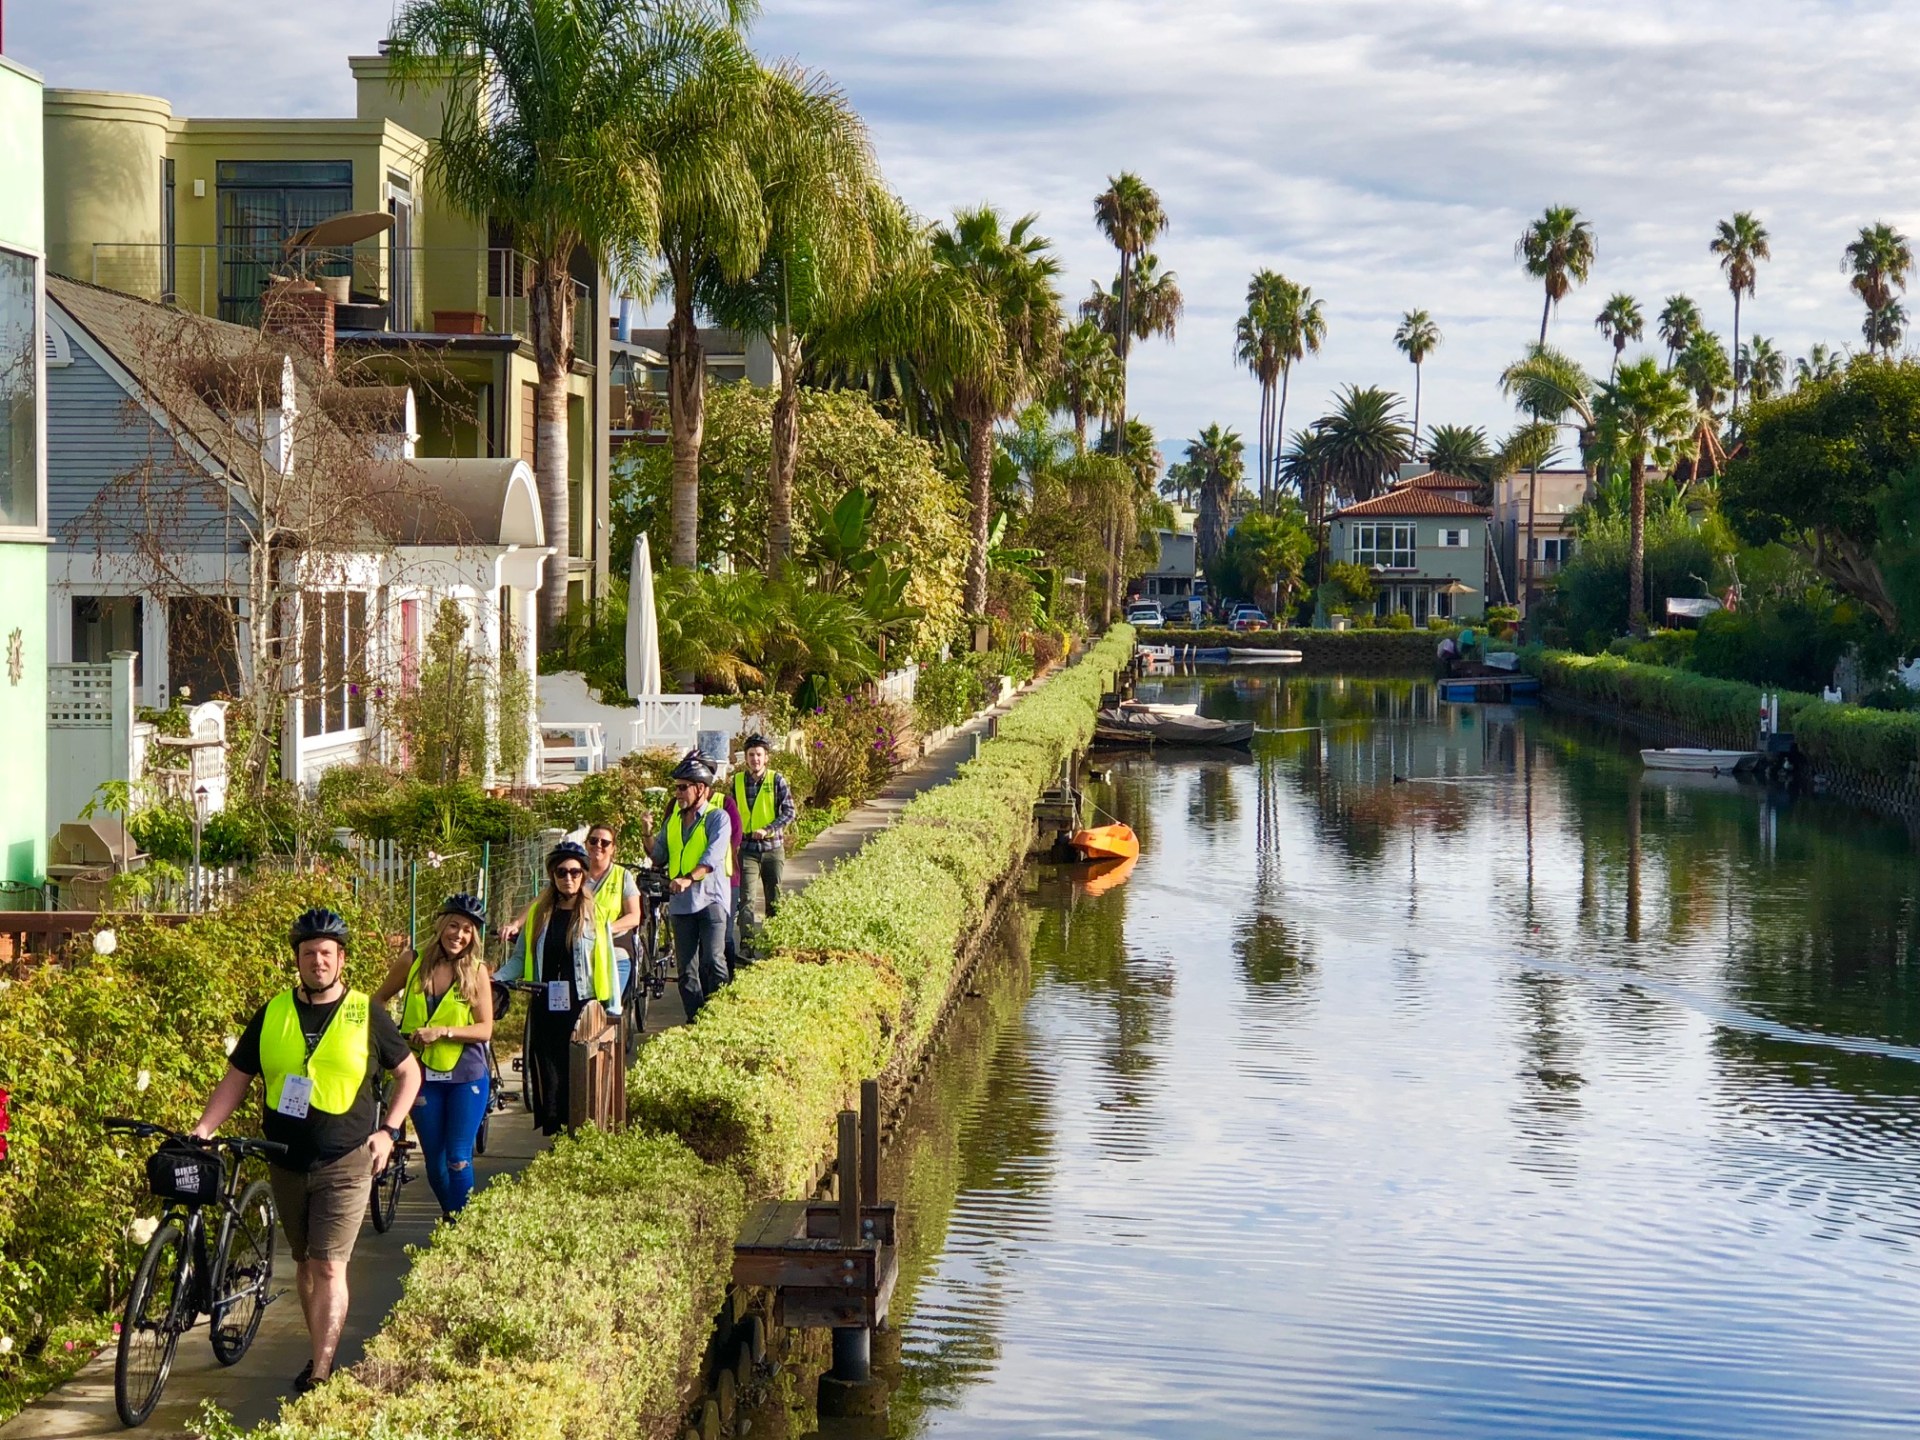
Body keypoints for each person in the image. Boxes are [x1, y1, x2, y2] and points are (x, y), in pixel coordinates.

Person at [191, 907, 420, 1393]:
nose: (318, 961)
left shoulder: (366, 1012)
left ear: (342, 959)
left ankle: (320, 1368)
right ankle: (319, 1349)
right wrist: (205, 1127)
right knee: (305, 1262)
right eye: (309, 953)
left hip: (346, 1158)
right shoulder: (273, 1012)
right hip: (285, 1159)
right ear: (297, 959)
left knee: (330, 1264)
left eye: (327, 953)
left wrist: (388, 1131)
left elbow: (409, 1074)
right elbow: (237, 1078)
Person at [373, 894, 494, 1222]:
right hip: (421, 1075)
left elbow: (485, 1029)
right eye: (454, 926)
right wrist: (384, 1039)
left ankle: (461, 1227)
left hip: (466, 1076)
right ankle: (451, 1217)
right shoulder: (412, 962)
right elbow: (377, 1001)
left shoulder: (476, 971)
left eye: (467, 930)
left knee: (458, 1157)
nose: (459, 935)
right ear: (440, 926)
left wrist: (443, 1031)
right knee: (435, 1164)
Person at [498, 840, 619, 1136]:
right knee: (550, 1076)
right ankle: (559, 1137)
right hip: (545, 1005)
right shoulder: (538, 915)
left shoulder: (595, 914)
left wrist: (613, 1009)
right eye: (561, 872)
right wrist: (494, 979)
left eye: (575, 872)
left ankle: (578, 1134)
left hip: (582, 1007)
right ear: (552, 875)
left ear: (584, 875)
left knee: (578, 1074)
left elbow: (608, 961)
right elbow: (519, 959)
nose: (568, 878)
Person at [651, 752, 733, 1019]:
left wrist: (688, 878)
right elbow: (659, 856)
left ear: (700, 789)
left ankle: (720, 1018)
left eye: (683, 787)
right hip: (681, 905)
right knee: (686, 972)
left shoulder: (717, 818)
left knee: (713, 961)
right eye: (676, 787)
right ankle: (695, 1021)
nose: (677, 793)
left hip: (711, 900)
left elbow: (712, 857)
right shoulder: (673, 821)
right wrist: (646, 832)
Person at [732, 734, 796, 940]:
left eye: (759, 755)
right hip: (747, 849)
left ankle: (773, 941)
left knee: (773, 898)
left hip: (772, 848)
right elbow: (732, 813)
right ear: (746, 758)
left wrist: (768, 829)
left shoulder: (776, 780)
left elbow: (789, 811)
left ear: (766, 757)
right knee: (746, 899)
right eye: (751, 755)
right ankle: (747, 945)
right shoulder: (737, 781)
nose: (755, 759)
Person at [581, 822, 643, 1009]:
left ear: (613, 848)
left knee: (608, 1011)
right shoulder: (573, 874)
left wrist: (606, 929)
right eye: (593, 841)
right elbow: (541, 902)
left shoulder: (622, 876)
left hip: (613, 952)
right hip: (580, 952)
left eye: (605, 843)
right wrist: (517, 924)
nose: (598, 845)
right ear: (586, 844)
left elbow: (634, 916)